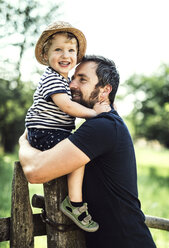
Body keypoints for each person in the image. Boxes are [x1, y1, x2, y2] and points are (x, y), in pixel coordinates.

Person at [19, 55, 157, 248]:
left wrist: (23, 142)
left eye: (82, 79)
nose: (71, 85)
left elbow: (35, 172)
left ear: (105, 90)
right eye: (72, 78)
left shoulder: (103, 127)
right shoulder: (106, 123)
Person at [25, 21, 100, 232]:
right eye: (58, 49)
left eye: (70, 50)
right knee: (78, 155)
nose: (65, 55)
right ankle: (74, 203)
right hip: (45, 132)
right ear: (47, 55)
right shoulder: (52, 79)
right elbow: (67, 106)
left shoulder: (62, 81)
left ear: (76, 56)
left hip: (51, 131)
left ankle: (74, 197)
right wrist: (94, 114)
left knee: (77, 154)